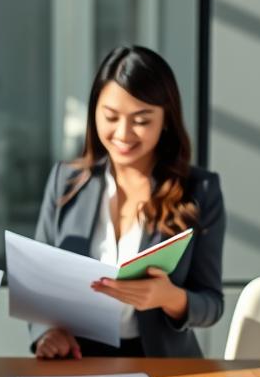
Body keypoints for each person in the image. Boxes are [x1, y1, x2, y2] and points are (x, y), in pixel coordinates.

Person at [31, 44, 226, 359]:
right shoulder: (65, 182)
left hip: (163, 364)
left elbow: (212, 304)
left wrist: (170, 297)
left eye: (141, 120)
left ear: (166, 120)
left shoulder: (200, 190)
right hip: (77, 360)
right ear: (94, 111)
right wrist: (47, 333)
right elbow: (38, 284)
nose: (123, 133)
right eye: (110, 116)